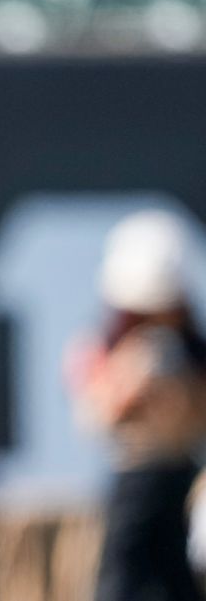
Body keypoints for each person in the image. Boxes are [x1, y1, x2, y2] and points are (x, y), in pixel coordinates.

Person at [68, 210, 206, 601]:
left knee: (178, 577)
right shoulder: (108, 350)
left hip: (183, 475)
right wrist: (132, 380)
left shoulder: (191, 353)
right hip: (134, 477)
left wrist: (179, 382)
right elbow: (96, 414)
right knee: (122, 577)